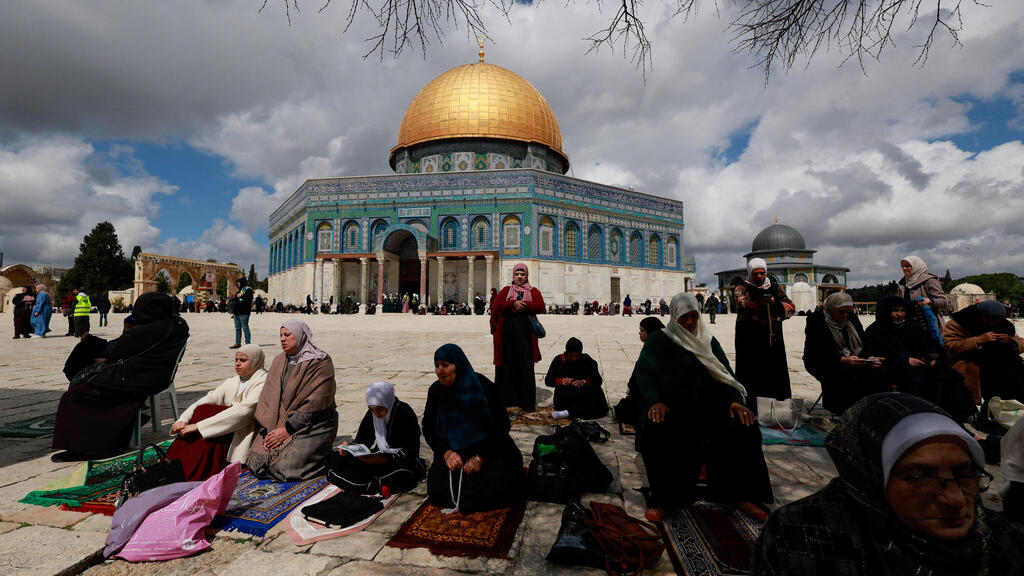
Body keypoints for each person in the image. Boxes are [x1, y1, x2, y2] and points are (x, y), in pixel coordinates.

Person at [752, 393, 1024, 576]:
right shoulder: (805, 537)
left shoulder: (1005, 538)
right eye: (919, 478)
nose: (953, 499)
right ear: (869, 479)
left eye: (964, 474)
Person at [635, 293, 772, 522]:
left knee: (744, 425)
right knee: (655, 427)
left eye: (693, 317)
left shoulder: (706, 339)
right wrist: (655, 401)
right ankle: (663, 499)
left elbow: (724, 374)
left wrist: (734, 401)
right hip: (672, 408)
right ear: (674, 317)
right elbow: (644, 373)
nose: (689, 323)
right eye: (683, 318)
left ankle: (742, 495)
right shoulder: (659, 340)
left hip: (709, 407)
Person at [51, 292, 189, 461]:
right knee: (87, 349)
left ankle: (89, 446)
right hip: (152, 374)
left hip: (136, 377)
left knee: (74, 397)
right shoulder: (177, 324)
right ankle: (130, 419)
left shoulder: (149, 329)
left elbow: (114, 350)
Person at [423, 344, 524, 513]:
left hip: (489, 449)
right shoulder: (436, 391)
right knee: (438, 492)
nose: (440, 370)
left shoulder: (482, 387)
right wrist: (446, 452)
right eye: (437, 365)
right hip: (454, 451)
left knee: (494, 489)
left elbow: (501, 425)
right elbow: (428, 428)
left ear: (458, 365)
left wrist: (480, 457)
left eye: (445, 365)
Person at [246, 320, 338, 481]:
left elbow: (316, 402)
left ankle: (323, 458)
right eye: (281, 335)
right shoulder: (279, 360)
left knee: (286, 468)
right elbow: (266, 396)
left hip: (313, 424)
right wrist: (271, 427)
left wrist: (288, 429)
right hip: (277, 422)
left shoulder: (320, 362)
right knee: (255, 462)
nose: (282, 339)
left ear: (300, 336)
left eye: (287, 335)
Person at [863, 296, 975, 422]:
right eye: (895, 311)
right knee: (918, 382)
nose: (900, 314)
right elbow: (872, 353)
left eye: (902, 310)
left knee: (951, 376)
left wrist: (934, 357)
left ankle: (957, 417)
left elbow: (933, 345)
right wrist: (905, 359)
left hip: (922, 366)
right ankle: (922, 419)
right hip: (895, 368)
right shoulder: (875, 330)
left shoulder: (912, 326)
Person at [168, 345, 268, 480]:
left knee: (205, 419)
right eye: (236, 360)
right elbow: (209, 398)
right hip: (220, 427)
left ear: (255, 361)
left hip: (241, 431)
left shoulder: (263, 382)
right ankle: (175, 464)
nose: (237, 364)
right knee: (202, 409)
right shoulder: (234, 381)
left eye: (243, 360)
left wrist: (198, 426)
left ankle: (188, 470)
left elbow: (242, 412)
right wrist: (183, 420)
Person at [326, 381, 425, 494]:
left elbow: (411, 450)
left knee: (402, 473)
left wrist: (384, 459)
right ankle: (371, 484)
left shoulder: (404, 412)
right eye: (372, 409)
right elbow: (363, 439)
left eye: (380, 409)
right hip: (377, 457)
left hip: (399, 460)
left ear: (388, 402)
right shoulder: (372, 413)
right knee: (334, 458)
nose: (376, 414)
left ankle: (368, 484)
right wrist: (349, 449)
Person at [803, 292, 886, 414]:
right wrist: (841, 359)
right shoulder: (816, 321)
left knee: (876, 372)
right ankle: (842, 410)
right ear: (831, 309)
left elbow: (863, 341)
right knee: (842, 374)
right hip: (822, 360)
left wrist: (869, 358)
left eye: (848, 312)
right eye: (841, 312)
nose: (845, 315)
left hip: (851, 357)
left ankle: (870, 409)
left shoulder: (851, 318)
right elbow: (817, 351)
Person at [733, 258, 795, 408]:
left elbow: (791, 306)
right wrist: (762, 303)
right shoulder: (742, 288)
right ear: (750, 273)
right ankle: (752, 406)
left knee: (775, 370)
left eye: (762, 273)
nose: (760, 277)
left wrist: (775, 304)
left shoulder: (774, 287)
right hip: (749, 338)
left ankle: (778, 405)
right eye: (756, 274)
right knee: (752, 371)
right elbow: (743, 303)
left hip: (772, 337)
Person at [943, 299, 1024, 409]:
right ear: (981, 315)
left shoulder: (1005, 325)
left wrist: (1011, 341)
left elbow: (1021, 342)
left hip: (1003, 365)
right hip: (973, 364)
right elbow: (949, 346)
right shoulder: (960, 323)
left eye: (997, 320)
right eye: (990, 320)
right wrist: (978, 340)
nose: (994, 323)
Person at [492, 263, 545, 410]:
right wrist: (512, 304)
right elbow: (497, 306)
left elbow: (541, 306)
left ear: (527, 276)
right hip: (506, 335)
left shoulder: (533, 291)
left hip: (525, 335)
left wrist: (524, 305)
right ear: (513, 276)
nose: (520, 277)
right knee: (507, 364)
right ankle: (507, 398)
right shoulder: (505, 291)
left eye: (522, 275)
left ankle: (525, 401)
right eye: (517, 275)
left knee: (525, 365)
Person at [544, 338, 608, 419]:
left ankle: (568, 413)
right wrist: (561, 381)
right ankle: (575, 412)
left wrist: (584, 381)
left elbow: (598, 380)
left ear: (580, 353)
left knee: (597, 391)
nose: (574, 358)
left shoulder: (587, 360)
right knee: (591, 404)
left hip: (582, 392)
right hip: (565, 394)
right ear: (567, 353)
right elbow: (548, 381)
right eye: (571, 356)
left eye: (577, 356)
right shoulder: (559, 360)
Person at [899, 256, 948, 333]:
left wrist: (930, 301)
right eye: (903, 266)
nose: (904, 268)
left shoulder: (930, 280)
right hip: (909, 326)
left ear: (916, 266)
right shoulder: (902, 284)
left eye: (908, 266)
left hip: (929, 326)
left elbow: (944, 301)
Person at [230, 278, 254, 349]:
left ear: (242, 283)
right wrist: (234, 312)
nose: (237, 284)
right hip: (237, 313)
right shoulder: (238, 292)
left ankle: (248, 343)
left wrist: (241, 296)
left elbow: (249, 299)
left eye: (238, 282)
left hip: (244, 313)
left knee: (245, 328)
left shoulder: (248, 290)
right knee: (237, 328)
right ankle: (238, 343)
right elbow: (236, 303)